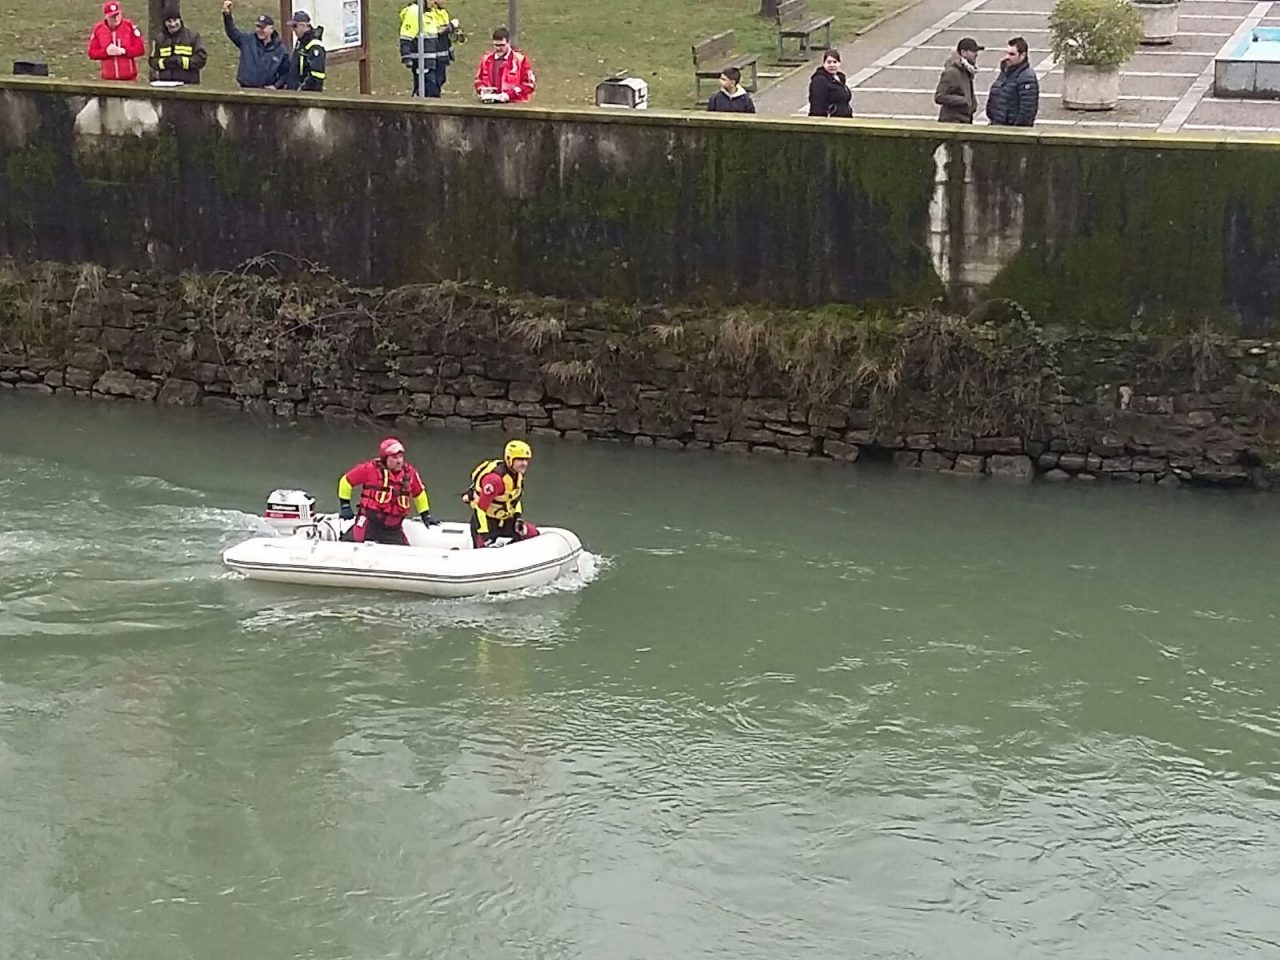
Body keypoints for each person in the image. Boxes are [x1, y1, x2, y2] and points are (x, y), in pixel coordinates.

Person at [338, 438, 434, 545]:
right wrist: (345, 506)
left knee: (404, 551)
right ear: (385, 459)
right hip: (369, 523)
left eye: (400, 457)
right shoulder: (369, 469)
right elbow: (346, 481)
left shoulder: (410, 474)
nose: (399, 461)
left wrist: (425, 515)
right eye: (394, 458)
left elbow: (419, 494)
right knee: (346, 545)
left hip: (393, 528)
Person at [463, 440, 539, 548]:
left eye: (526, 459)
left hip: (505, 520)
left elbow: (515, 500)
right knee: (483, 551)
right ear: (509, 459)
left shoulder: (518, 476)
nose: (524, 463)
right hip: (487, 523)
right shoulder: (495, 481)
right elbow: (480, 509)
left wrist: (518, 517)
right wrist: (484, 533)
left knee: (533, 533)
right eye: (520, 459)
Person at [222, 1, 288, 89]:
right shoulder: (247, 40)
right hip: (245, 89)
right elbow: (232, 32)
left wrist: (276, 86)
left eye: (262, 28)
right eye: (258, 27)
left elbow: (286, 73)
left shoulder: (280, 50)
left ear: (271, 29)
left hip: (267, 92)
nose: (259, 30)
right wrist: (227, 15)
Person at [986, 36, 1039, 127]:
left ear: (1022, 55)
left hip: (1011, 129)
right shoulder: (1006, 71)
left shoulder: (1027, 77)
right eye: (1007, 53)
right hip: (997, 125)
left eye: (1012, 54)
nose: (1007, 57)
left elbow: (1027, 111)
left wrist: (1016, 129)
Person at [87, 1, 146, 83]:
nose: (115, 18)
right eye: (112, 16)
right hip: (108, 80)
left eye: (117, 15)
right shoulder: (98, 29)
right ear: (106, 16)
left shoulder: (129, 26)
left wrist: (124, 51)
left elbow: (140, 49)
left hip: (129, 79)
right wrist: (106, 52)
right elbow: (92, 53)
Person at [148, 4, 207, 85]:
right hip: (165, 84)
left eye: (175, 20)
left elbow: (200, 59)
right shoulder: (159, 39)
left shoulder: (193, 36)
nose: (173, 24)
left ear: (180, 20)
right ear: (165, 23)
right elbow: (153, 61)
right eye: (169, 21)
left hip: (189, 84)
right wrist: (165, 63)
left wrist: (181, 62)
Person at [474, 27, 535, 103]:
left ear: (508, 43)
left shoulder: (520, 60)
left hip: (515, 105)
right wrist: (482, 90)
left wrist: (509, 95)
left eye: (502, 45)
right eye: (496, 45)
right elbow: (478, 80)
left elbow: (529, 85)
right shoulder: (486, 60)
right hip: (490, 104)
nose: (499, 48)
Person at [934, 37, 982, 124]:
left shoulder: (967, 71)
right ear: (963, 53)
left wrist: (972, 104)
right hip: (952, 122)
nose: (976, 54)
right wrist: (963, 100)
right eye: (973, 51)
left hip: (965, 120)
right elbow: (939, 97)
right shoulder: (951, 72)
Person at [277, 10, 325, 92]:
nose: (293, 29)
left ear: (303, 25)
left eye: (295, 26)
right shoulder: (301, 42)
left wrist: (301, 90)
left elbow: (316, 76)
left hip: (307, 95)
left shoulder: (315, 46)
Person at [427, 0, 461, 94]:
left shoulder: (443, 13)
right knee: (430, 84)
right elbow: (437, 31)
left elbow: (445, 33)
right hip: (431, 55)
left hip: (442, 54)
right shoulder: (427, 14)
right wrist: (451, 26)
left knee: (441, 79)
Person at [807, 49, 853, 118]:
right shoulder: (819, 80)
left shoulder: (840, 78)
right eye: (829, 62)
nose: (832, 65)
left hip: (844, 119)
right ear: (824, 64)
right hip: (830, 121)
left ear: (839, 63)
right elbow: (817, 105)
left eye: (835, 62)